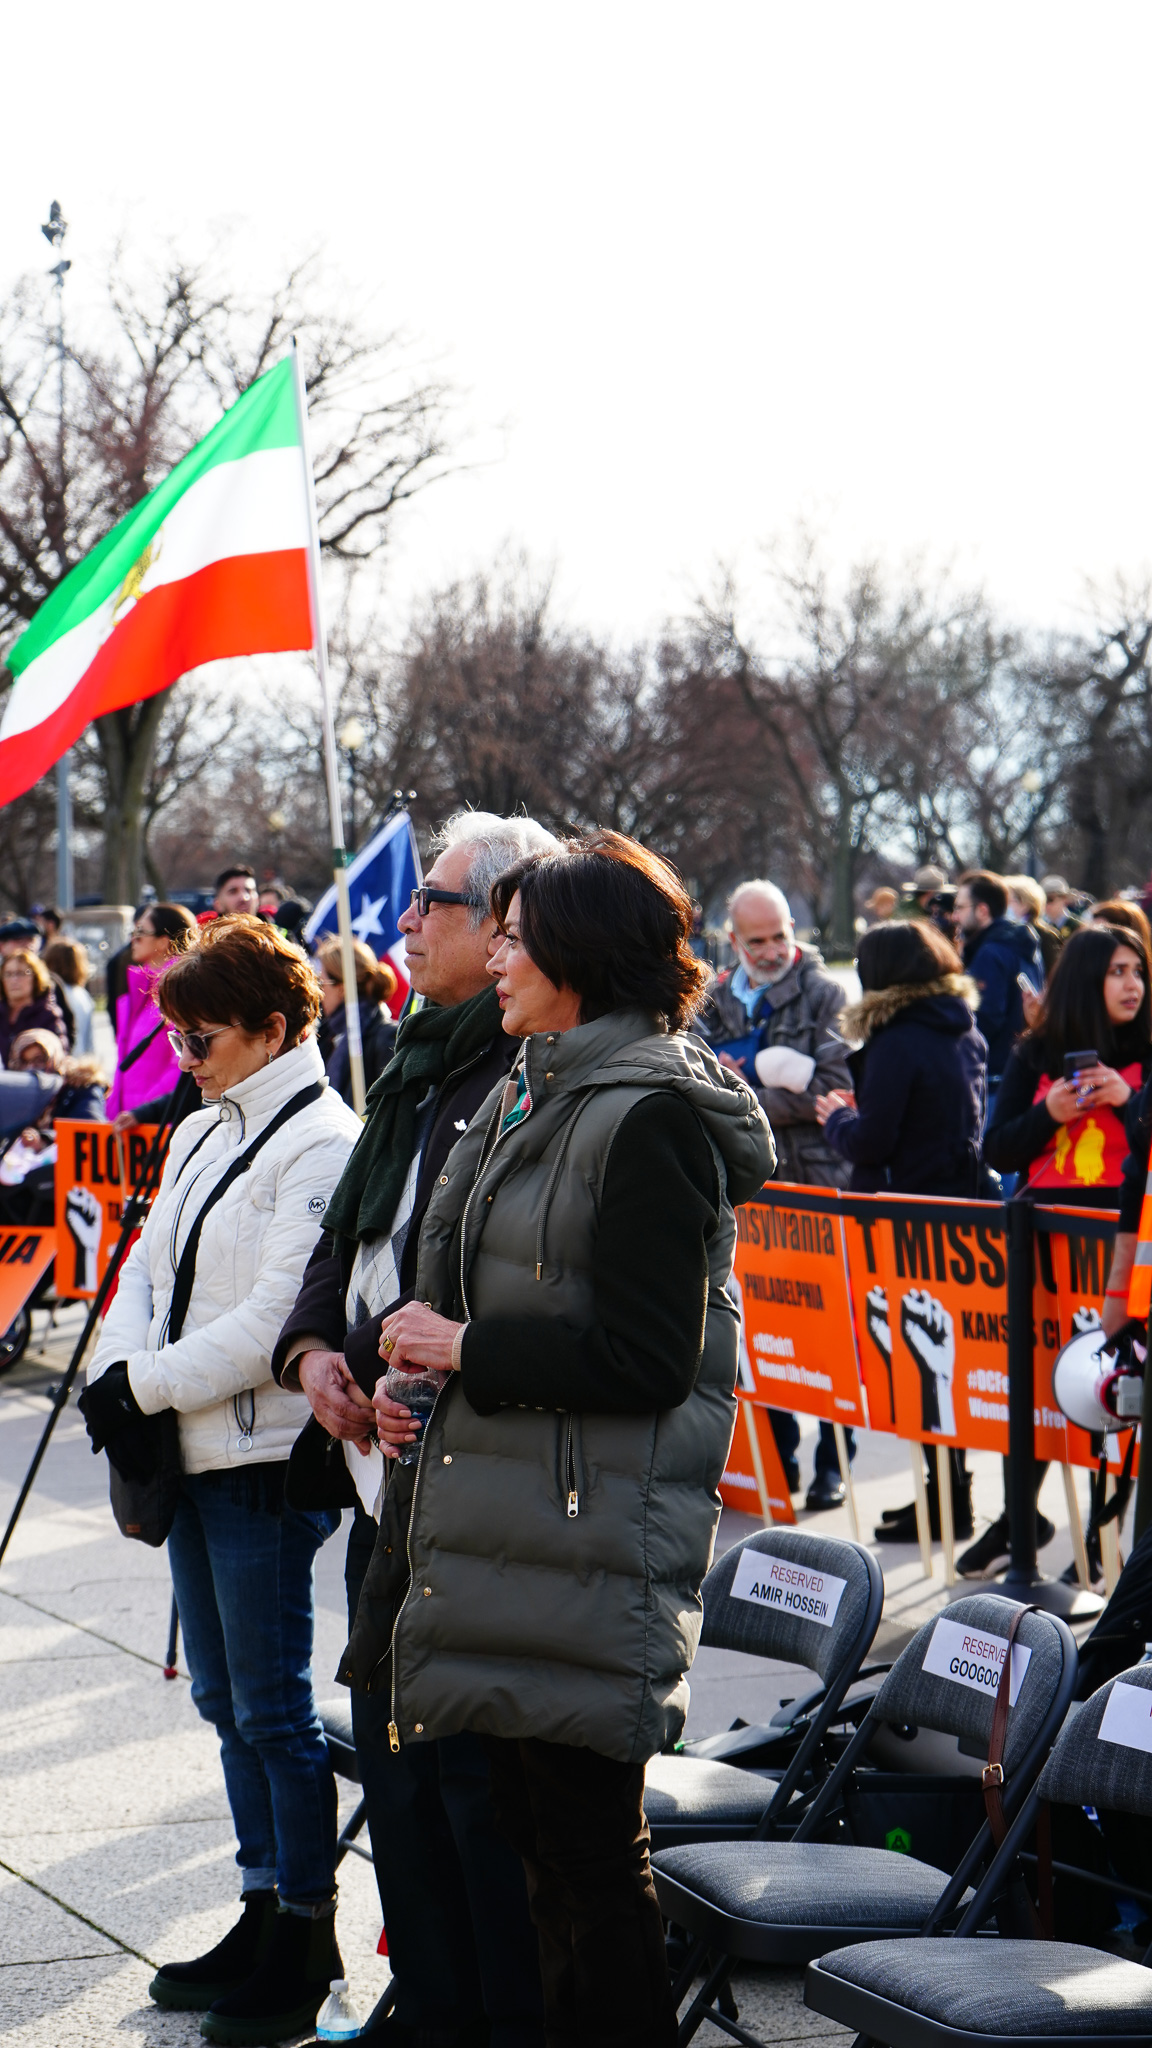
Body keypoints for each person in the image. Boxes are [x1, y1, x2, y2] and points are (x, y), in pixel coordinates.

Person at [351, 830, 775, 2048]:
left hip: (588, 1545)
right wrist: (418, 1379)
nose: (494, 956)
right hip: (512, 1532)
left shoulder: (649, 1116)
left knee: (589, 1866)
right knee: (537, 1856)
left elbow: (647, 1356)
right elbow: (480, 1301)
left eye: (516, 937)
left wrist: (463, 1349)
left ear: (580, 956)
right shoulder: (532, 1085)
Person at [273, 810, 560, 2048]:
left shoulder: (523, 1072)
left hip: (463, 1479)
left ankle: (482, 2012)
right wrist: (312, 1352)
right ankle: (430, 2000)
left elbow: (489, 1285)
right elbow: (343, 1237)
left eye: (429, 900)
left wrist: (384, 1360)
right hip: (374, 1465)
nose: (404, 919)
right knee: (396, 1766)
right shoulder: (411, 1059)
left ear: (500, 920)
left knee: (468, 1783)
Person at [82, 917, 362, 2043]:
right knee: (219, 1700)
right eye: (174, 1037)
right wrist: (116, 1374)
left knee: (273, 1709)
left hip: (260, 1462)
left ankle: (306, 1927)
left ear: (274, 1029)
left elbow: (274, 1322)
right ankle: (260, 1902)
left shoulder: (324, 1141)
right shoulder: (205, 1123)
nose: (183, 1058)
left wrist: (139, 1387)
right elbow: (145, 1271)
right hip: (189, 1453)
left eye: (201, 1038)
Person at [976, 923, 1152, 1582]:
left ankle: (1108, 1543)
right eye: (1117, 972)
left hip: (1125, 1250)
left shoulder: (1148, 1051)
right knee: (1041, 1389)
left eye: (1138, 971)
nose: (1133, 985)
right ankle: (1020, 1524)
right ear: (1083, 981)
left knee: (1123, 1392)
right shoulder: (1037, 1052)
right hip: (1045, 1251)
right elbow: (998, 1150)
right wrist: (1049, 1112)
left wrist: (1131, 1101)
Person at [815, 919, 987, 1543]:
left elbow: (874, 1141)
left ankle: (943, 1503)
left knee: (916, 1365)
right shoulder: (963, 1027)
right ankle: (949, 1498)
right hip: (958, 1214)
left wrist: (837, 1120)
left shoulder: (896, 1039)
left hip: (902, 1220)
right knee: (942, 1365)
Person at [695, 879, 854, 1510]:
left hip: (814, 1184)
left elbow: (834, 1092)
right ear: (733, 940)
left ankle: (832, 1464)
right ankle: (779, 1461)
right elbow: (692, 1081)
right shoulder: (710, 999)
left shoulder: (825, 993)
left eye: (779, 936)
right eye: (756, 940)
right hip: (744, 1192)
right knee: (764, 1335)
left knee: (828, 1335)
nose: (770, 951)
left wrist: (742, 1086)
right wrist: (775, 1079)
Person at [953, 870, 1043, 1107]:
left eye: (960, 907)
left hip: (994, 1079)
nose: (954, 916)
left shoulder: (991, 953)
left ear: (982, 910)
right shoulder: (1022, 943)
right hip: (1021, 1070)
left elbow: (984, 1019)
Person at [0, 1029, 107, 1225]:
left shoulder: (81, 1086)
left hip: (67, 1185)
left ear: (53, 1058)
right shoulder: (17, 1094)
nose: (32, 1068)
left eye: (39, 1060)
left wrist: (45, 1139)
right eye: (24, 1062)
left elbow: (90, 1128)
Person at [106, 905, 198, 1123]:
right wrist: (113, 1108)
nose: (133, 939)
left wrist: (146, 1112)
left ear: (163, 941)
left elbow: (181, 1065)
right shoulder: (138, 991)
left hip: (157, 1122)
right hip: (130, 1123)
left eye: (140, 932)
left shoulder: (182, 991)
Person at [314, 938, 398, 1106]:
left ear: (342, 988)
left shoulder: (386, 1039)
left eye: (321, 984)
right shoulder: (326, 1034)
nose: (318, 992)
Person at [0, 950, 70, 1067]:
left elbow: (59, 1056)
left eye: (21, 973)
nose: (14, 980)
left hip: (35, 1077)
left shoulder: (48, 1015)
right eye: (8, 974)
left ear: (35, 977)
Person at [42, 938, 96, 1055]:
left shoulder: (54, 993)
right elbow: (89, 1039)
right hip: (80, 1056)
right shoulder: (83, 994)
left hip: (64, 1056)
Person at [1004, 873, 1063, 977]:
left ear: (1025, 904)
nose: (1005, 907)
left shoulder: (1045, 935)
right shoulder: (1004, 932)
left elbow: (1052, 975)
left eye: (1009, 901)